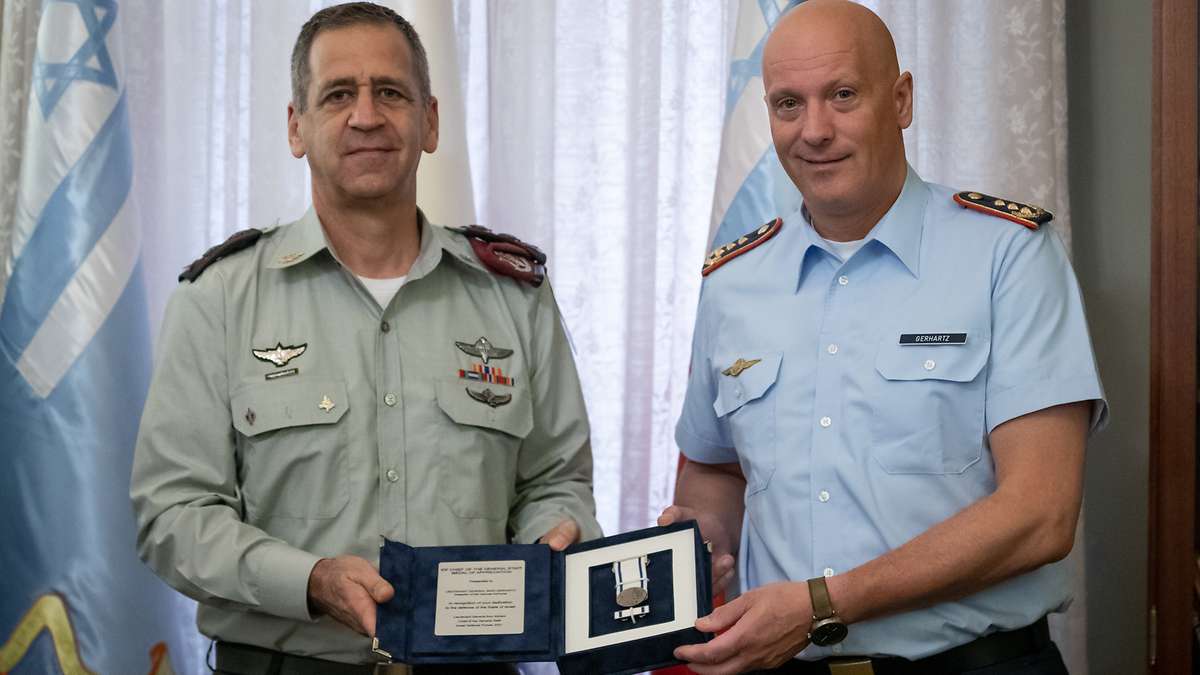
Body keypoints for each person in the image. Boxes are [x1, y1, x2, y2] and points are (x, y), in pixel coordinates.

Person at [130, 3, 600, 673]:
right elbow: (171, 515)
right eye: (338, 94)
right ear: (297, 127)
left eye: (391, 92)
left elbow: (557, 479)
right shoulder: (221, 300)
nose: (367, 115)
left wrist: (556, 537)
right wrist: (311, 579)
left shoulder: (513, 296)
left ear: (430, 121)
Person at [659, 1, 1106, 673]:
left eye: (842, 95)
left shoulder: (1007, 256)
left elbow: (1040, 512)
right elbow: (716, 469)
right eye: (787, 104)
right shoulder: (734, 280)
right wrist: (705, 536)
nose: (814, 130)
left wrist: (819, 604)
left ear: (900, 99)